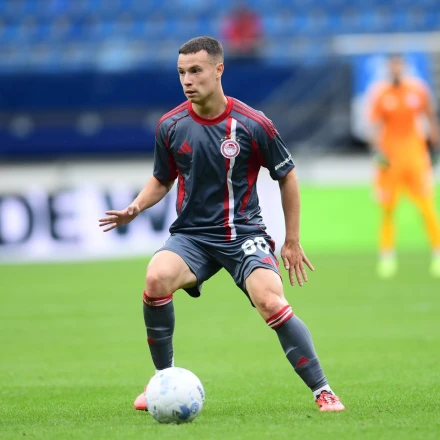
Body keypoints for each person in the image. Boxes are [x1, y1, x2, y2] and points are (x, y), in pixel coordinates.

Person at [99, 36, 344, 412]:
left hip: (243, 233)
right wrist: (135, 207)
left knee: (270, 300)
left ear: (219, 70)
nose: (187, 80)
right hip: (192, 236)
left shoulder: (252, 123)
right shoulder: (171, 125)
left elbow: (287, 175)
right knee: (155, 278)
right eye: (181, 72)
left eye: (195, 71)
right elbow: (162, 178)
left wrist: (291, 240)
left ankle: (323, 390)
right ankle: (162, 381)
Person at [368, 55, 440, 278]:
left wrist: (434, 147)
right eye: (393, 66)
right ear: (388, 68)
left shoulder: (417, 90)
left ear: (405, 67)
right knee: (388, 209)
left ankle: (437, 254)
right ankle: (387, 257)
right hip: (390, 160)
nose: (396, 70)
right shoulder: (381, 93)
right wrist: (377, 152)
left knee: (427, 206)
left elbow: (430, 117)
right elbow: (374, 125)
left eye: (399, 66)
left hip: (415, 157)